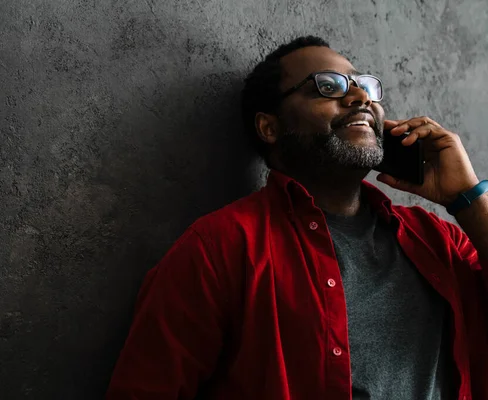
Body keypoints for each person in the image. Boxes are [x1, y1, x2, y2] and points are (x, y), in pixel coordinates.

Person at [106, 36, 488, 399]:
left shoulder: (437, 240)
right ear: (269, 127)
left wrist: (467, 197)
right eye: (327, 86)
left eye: (363, 86)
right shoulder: (220, 247)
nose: (359, 97)